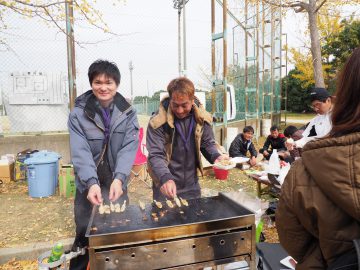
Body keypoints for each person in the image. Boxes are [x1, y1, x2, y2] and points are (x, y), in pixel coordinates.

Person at [276, 48, 360, 269]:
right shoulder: (315, 120)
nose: (316, 109)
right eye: (313, 106)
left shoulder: (304, 173)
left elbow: (293, 238)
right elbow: (306, 136)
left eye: (318, 105)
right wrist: (295, 144)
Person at [68, 60, 139, 269]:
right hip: (87, 185)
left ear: (116, 84)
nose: (103, 87)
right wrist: (91, 182)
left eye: (109, 82)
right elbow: (80, 151)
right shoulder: (78, 114)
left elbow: (128, 148)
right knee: (84, 234)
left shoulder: (128, 112)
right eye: (97, 82)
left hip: (116, 184)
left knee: (119, 232)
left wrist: (120, 178)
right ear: (91, 84)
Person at [146, 77, 228, 201]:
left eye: (184, 105)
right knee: (164, 219)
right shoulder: (157, 122)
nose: (179, 110)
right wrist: (165, 178)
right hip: (165, 184)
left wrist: (216, 156)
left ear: (192, 99)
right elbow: (156, 154)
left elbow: (207, 143)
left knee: (194, 218)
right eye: (175, 105)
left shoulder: (201, 118)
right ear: (170, 99)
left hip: (191, 186)